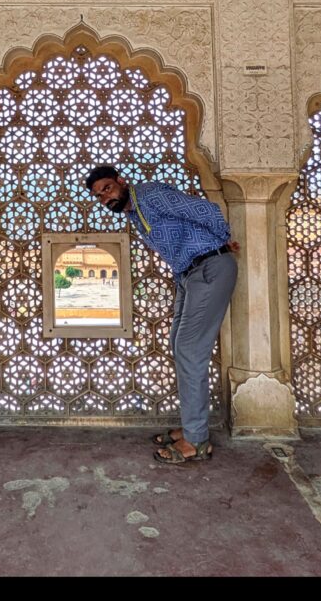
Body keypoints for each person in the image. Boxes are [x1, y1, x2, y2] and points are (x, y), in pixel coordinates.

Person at [85, 165, 239, 464]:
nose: (105, 198)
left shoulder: (149, 195)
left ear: (120, 180)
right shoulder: (134, 212)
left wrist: (223, 238)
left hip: (210, 267)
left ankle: (197, 441)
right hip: (189, 274)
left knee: (190, 349)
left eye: (107, 188)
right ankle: (192, 428)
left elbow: (204, 210)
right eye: (99, 196)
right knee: (180, 347)